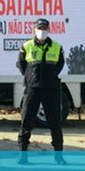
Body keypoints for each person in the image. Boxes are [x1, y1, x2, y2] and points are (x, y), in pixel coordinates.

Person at [16, 18, 65, 163]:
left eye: (44, 28)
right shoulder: (26, 46)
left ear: (49, 30)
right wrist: (31, 77)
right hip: (32, 90)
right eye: (39, 28)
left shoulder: (57, 47)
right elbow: (21, 65)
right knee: (26, 122)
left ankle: (59, 157)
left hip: (51, 89)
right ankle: (22, 156)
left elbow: (60, 65)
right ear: (34, 30)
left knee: (55, 123)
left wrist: (50, 76)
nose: (42, 31)